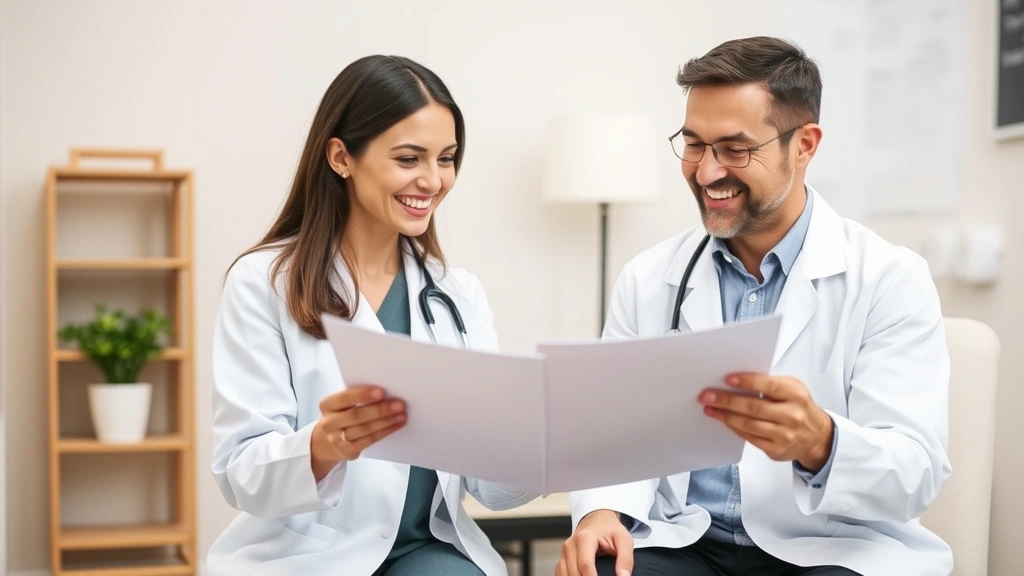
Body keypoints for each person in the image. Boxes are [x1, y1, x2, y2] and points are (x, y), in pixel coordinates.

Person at [557, 37, 952, 576]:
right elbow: (612, 431)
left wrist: (820, 442)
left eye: (735, 149)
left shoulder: (889, 278)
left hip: (829, 548)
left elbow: (915, 474)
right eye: (693, 144)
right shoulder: (649, 279)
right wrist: (601, 512)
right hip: (688, 542)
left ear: (804, 145)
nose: (706, 171)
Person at [207, 55, 536, 576]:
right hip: (307, 557)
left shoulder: (457, 293)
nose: (433, 181)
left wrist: (535, 442)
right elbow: (240, 473)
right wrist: (322, 445)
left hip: (425, 553)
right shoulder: (263, 282)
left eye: (446, 158)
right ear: (341, 156)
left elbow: (491, 490)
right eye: (410, 158)